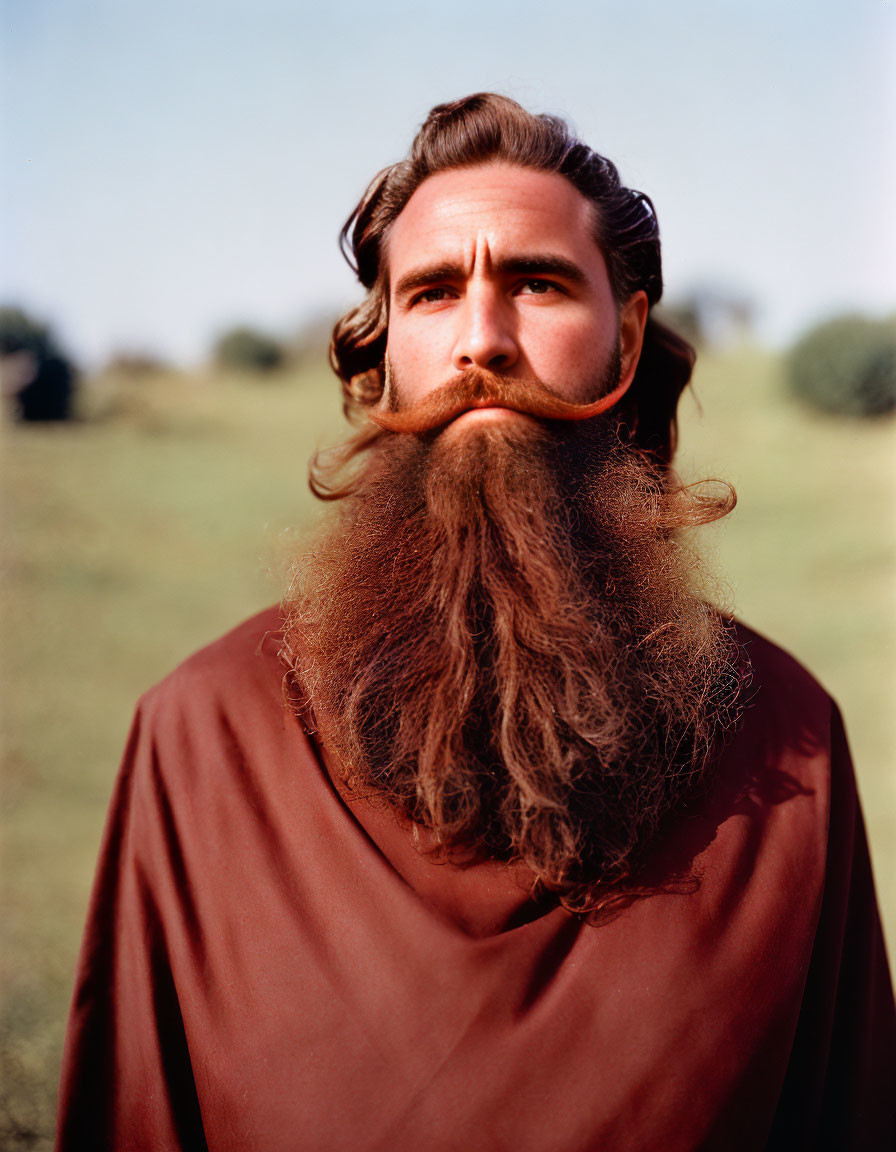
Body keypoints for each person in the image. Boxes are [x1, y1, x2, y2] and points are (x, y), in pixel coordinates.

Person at [56, 93, 894, 1151]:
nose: (481, 342)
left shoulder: (785, 741)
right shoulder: (199, 738)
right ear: (385, 357)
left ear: (626, 334)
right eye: (432, 293)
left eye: (537, 283)